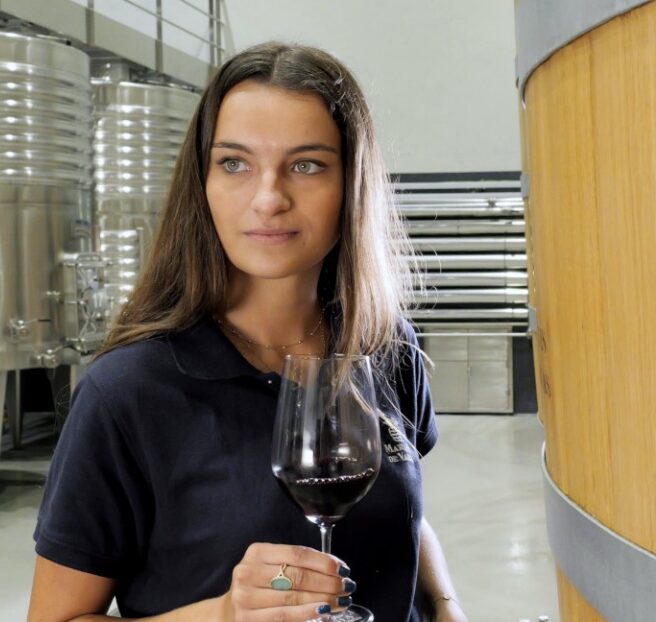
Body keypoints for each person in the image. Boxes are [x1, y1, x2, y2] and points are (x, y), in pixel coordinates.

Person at [28, 42, 467, 622]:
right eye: (235, 163)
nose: (268, 199)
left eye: (306, 164)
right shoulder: (128, 392)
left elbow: (404, 516)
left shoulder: (387, 350)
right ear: (202, 183)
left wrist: (446, 606)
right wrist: (224, 614)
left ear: (352, 184)